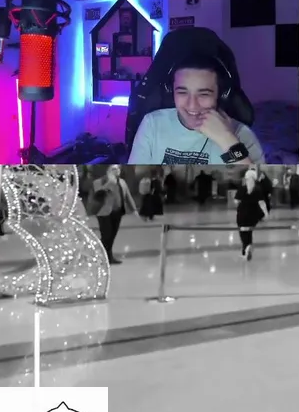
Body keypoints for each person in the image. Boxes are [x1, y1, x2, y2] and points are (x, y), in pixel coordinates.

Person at [128, 56, 264, 166]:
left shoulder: (241, 134)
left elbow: (257, 189)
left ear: (222, 95)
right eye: (182, 92)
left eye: (204, 94)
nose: (192, 105)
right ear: (171, 92)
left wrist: (227, 140)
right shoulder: (152, 124)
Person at [90, 165, 136, 265]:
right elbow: (98, 194)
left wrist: (134, 209)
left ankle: (109, 257)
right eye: (114, 169)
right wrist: (110, 183)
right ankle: (100, 256)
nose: (117, 171)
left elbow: (128, 196)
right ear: (108, 171)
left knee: (112, 236)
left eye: (118, 169)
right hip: (103, 212)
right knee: (106, 236)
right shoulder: (99, 182)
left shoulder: (122, 182)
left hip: (118, 212)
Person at [235, 169, 269, 261]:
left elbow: (236, 201)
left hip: (242, 214)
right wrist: (266, 213)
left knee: (243, 233)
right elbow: (262, 203)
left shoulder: (242, 188)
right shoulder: (258, 189)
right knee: (249, 232)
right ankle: (248, 248)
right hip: (253, 215)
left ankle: (246, 248)